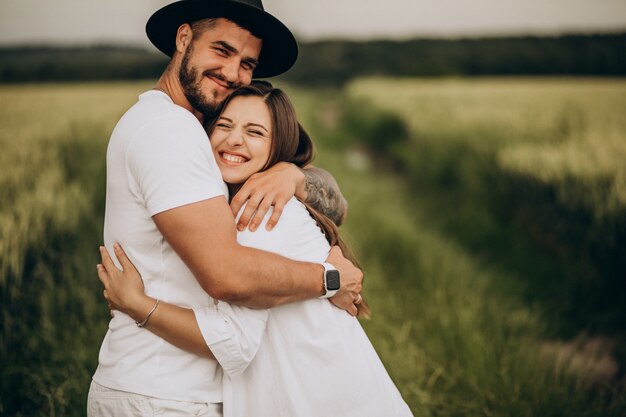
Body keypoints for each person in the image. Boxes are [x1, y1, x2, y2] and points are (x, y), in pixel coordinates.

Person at [88, 1, 362, 416]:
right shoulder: (171, 131)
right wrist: (328, 278)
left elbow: (335, 205)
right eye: (222, 50)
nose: (234, 74)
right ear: (184, 39)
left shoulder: (196, 129)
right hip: (163, 394)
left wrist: (293, 176)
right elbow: (226, 275)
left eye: (248, 63)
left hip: (174, 389)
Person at [97, 81, 413, 417]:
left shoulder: (259, 214)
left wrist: (138, 304)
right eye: (224, 125)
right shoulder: (240, 204)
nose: (234, 140)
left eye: (255, 132)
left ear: (277, 148)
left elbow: (232, 341)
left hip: (327, 400)